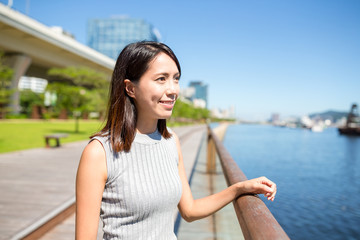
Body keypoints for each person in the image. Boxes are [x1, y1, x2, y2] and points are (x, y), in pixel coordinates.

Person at [75, 41, 277, 240]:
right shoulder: (99, 152)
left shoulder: (171, 141)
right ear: (130, 88)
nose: (173, 90)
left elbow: (189, 210)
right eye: (161, 79)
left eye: (176, 79)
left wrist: (239, 188)